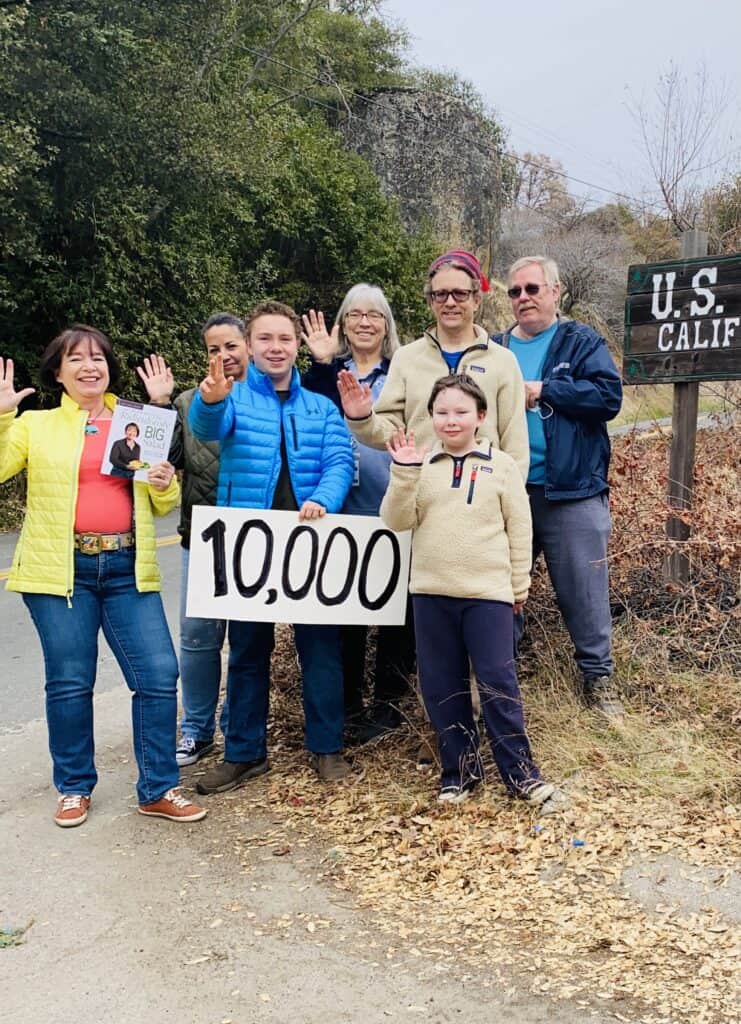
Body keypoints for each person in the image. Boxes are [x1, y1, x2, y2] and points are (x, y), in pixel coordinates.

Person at [0, 327, 207, 827]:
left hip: (126, 566)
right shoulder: (36, 425)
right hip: (59, 569)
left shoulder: (138, 420)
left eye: (98, 357)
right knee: (70, 682)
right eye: (76, 359)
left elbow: (161, 500)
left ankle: (158, 788)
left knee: (158, 675)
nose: (90, 366)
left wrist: (164, 479)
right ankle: (74, 786)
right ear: (58, 372)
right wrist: (4, 414)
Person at [338, 250, 529, 767]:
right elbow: (388, 431)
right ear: (429, 299)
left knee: (493, 654)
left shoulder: (502, 361)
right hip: (424, 511)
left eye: (460, 293)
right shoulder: (408, 360)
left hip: (483, 522)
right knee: (429, 636)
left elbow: (515, 448)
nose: (450, 301)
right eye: (440, 293)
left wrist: (507, 516)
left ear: (477, 296)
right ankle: (446, 748)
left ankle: (511, 756)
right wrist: (361, 418)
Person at [189, 300, 355, 790]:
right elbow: (206, 428)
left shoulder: (321, 406)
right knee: (246, 651)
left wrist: (323, 499)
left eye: (285, 339)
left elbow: (339, 461)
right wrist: (211, 399)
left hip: (310, 545)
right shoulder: (234, 398)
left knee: (321, 651)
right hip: (249, 549)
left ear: (297, 346)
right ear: (251, 346)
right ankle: (243, 752)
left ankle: (327, 749)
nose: (276, 347)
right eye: (265, 339)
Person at [380, 374, 564, 812]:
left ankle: (521, 775)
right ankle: (459, 773)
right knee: (442, 687)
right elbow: (395, 520)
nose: (451, 420)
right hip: (431, 594)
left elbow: (520, 531)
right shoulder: (420, 467)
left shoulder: (501, 467)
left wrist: (519, 586)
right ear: (430, 417)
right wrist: (404, 472)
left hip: (489, 596)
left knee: (498, 684)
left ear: (481, 417)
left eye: (461, 411)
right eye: (441, 412)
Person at [494, 255, 623, 717]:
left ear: (555, 291)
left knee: (584, 591)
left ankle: (598, 679)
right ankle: (498, 681)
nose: (524, 298)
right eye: (515, 291)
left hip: (572, 491)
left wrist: (546, 389)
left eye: (532, 288)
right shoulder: (493, 348)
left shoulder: (580, 340)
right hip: (508, 493)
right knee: (498, 591)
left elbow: (609, 396)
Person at [300, 285, 415, 744]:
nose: (365, 323)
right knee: (342, 615)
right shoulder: (327, 371)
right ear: (343, 324)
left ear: (387, 325)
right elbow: (312, 417)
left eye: (375, 316)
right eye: (355, 315)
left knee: (394, 618)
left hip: (390, 508)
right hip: (337, 515)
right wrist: (325, 364)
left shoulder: (402, 371)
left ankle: (387, 708)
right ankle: (346, 704)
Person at [137, 314, 249, 767]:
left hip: (257, 541)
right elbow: (151, 461)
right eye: (212, 349)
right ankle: (197, 730)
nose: (223, 357)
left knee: (246, 641)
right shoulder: (187, 403)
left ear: (249, 347)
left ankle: (240, 729)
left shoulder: (268, 400)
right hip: (201, 539)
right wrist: (160, 405)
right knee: (199, 639)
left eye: (231, 347)